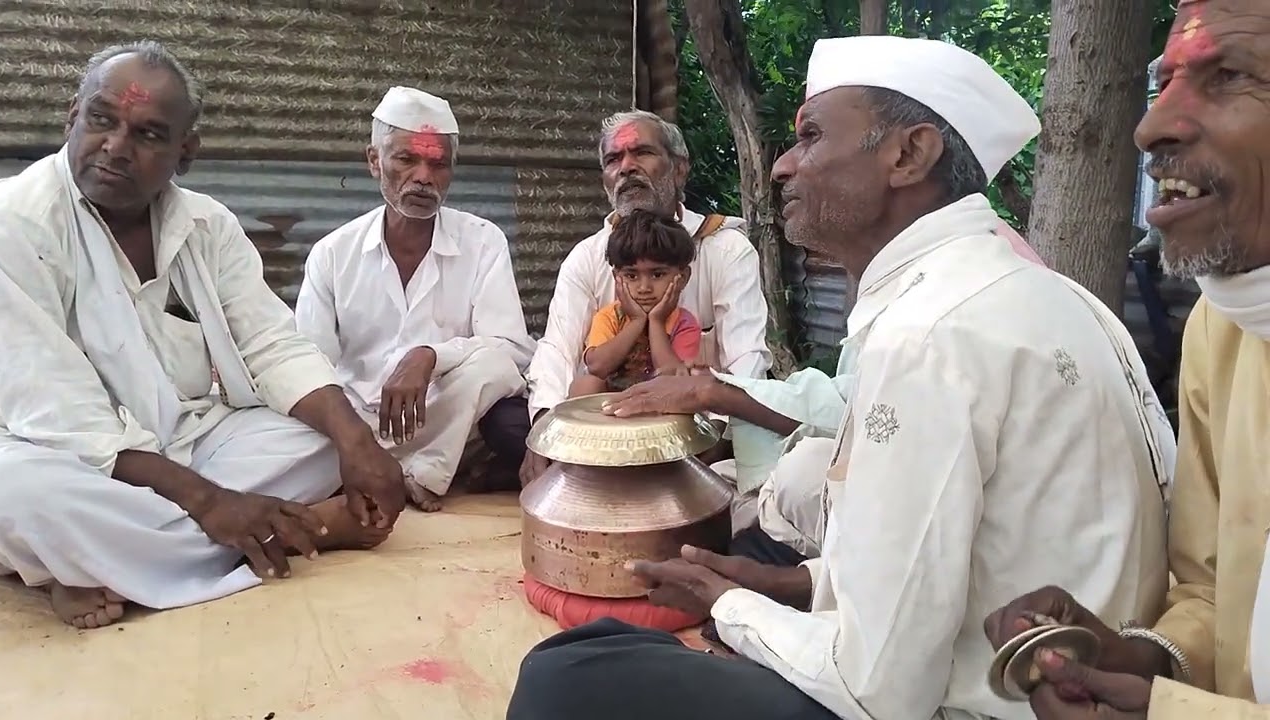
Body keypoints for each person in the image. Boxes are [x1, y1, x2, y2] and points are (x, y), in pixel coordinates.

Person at [506, 35, 1177, 720]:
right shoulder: (1059, 297)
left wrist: (729, 604)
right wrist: (789, 582)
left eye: (810, 136)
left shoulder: (927, 335)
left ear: (908, 155)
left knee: (565, 673)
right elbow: (974, 562)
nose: (781, 168)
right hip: (1030, 676)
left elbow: (877, 687)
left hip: (972, 706)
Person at [0, 41, 406, 630]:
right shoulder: (10, 223)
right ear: (71, 117)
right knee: (13, 496)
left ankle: (94, 563)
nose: (115, 147)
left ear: (186, 152)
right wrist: (210, 503)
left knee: (320, 441)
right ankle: (303, 529)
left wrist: (358, 444)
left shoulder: (208, 226)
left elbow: (271, 344)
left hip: (184, 437)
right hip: (46, 449)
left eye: (148, 134)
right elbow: (59, 412)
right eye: (101, 120)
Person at [984, 2, 1270, 717]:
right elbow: (1209, 590)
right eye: (1165, 80)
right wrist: (1135, 655)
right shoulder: (1224, 326)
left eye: (1230, 74)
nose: (1151, 126)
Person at [492, 110, 772, 487]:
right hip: (607, 424)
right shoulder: (588, 256)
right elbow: (557, 349)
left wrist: (711, 443)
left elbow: (747, 361)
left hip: (695, 432)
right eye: (614, 159)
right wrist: (544, 433)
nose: (626, 167)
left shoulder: (727, 250)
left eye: (641, 153)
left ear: (679, 169)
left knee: (760, 441)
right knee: (507, 420)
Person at [295, 86, 533, 512]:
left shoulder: (482, 241)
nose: (423, 177)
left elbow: (512, 350)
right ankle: (384, 465)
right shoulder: (333, 253)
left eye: (437, 164)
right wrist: (348, 430)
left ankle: (420, 475)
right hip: (358, 423)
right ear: (374, 161)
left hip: (442, 418)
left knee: (494, 367)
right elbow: (309, 364)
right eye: (406, 159)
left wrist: (430, 356)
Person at [568, 209, 702, 397]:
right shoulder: (610, 316)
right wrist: (636, 321)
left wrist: (656, 321)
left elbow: (673, 378)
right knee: (586, 385)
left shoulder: (684, 323)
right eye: (631, 275)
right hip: (610, 405)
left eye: (657, 275)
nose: (644, 288)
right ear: (617, 277)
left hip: (659, 405)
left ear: (682, 277)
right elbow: (597, 367)